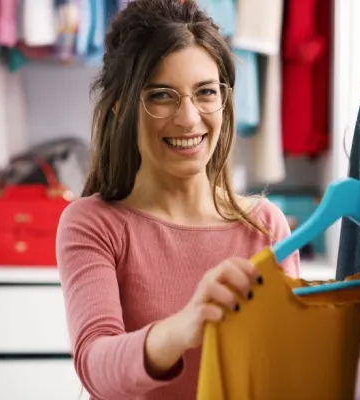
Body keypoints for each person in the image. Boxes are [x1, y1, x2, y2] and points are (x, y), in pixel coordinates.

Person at [56, 1, 300, 399]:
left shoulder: (265, 224)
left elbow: (284, 369)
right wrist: (184, 327)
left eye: (205, 92)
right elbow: (95, 365)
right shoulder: (93, 223)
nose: (189, 118)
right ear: (121, 107)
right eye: (162, 96)